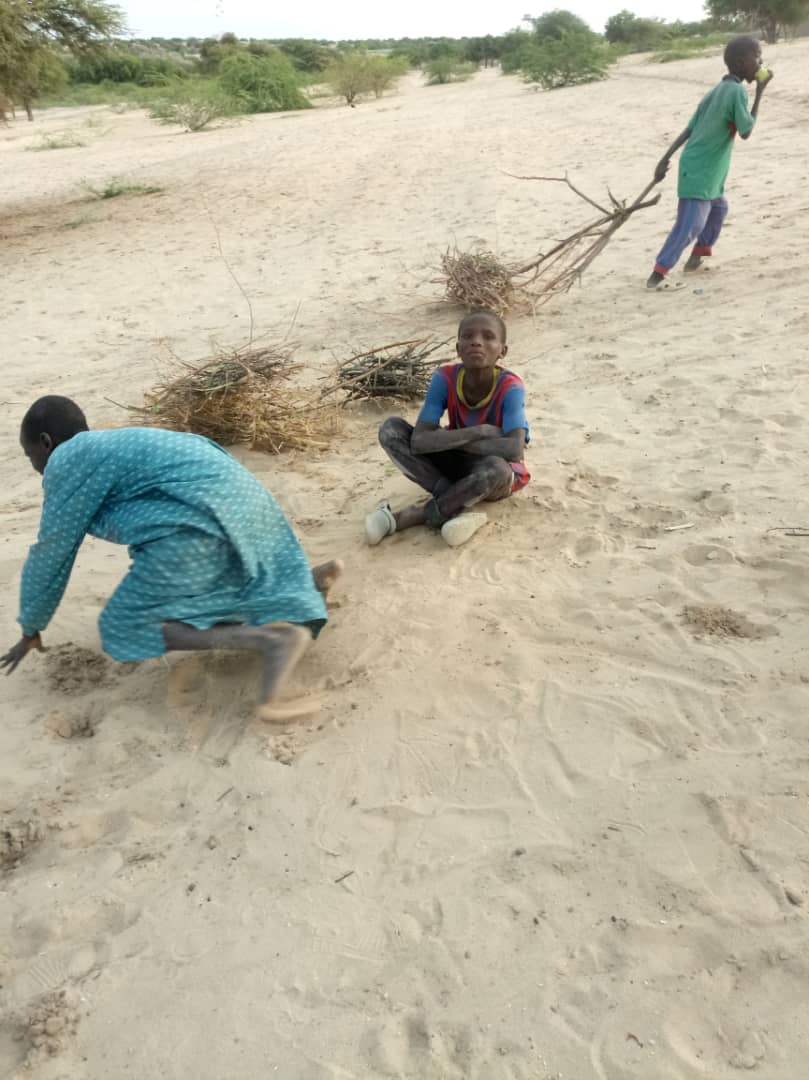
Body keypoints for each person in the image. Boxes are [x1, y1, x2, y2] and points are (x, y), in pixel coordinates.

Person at [1, 396, 342, 718]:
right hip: (245, 504)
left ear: (46, 442)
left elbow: (52, 551)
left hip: (205, 521)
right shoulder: (114, 444)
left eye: (30, 456)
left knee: (124, 627)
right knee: (193, 587)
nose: (36, 468)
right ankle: (304, 584)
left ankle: (270, 640)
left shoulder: (67, 459)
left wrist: (31, 626)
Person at [365, 310, 530, 548]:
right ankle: (455, 502)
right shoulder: (445, 378)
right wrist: (480, 431)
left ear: (502, 351)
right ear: (458, 348)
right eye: (468, 336)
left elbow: (514, 450)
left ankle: (413, 516)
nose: (476, 342)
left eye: (488, 337)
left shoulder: (511, 387)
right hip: (458, 461)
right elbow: (419, 441)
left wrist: (446, 438)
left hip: (492, 474)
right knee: (391, 430)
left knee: (496, 468)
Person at [646, 35, 773, 289]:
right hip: (701, 170)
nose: (761, 62)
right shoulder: (736, 91)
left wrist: (665, 158)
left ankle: (696, 258)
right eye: (757, 57)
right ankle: (657, 275)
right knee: (690, 225)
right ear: (741, 62)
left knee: (718, 210)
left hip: (704, 167)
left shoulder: (716, 90)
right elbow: (746, 130)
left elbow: (689, 128)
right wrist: (760, 91)